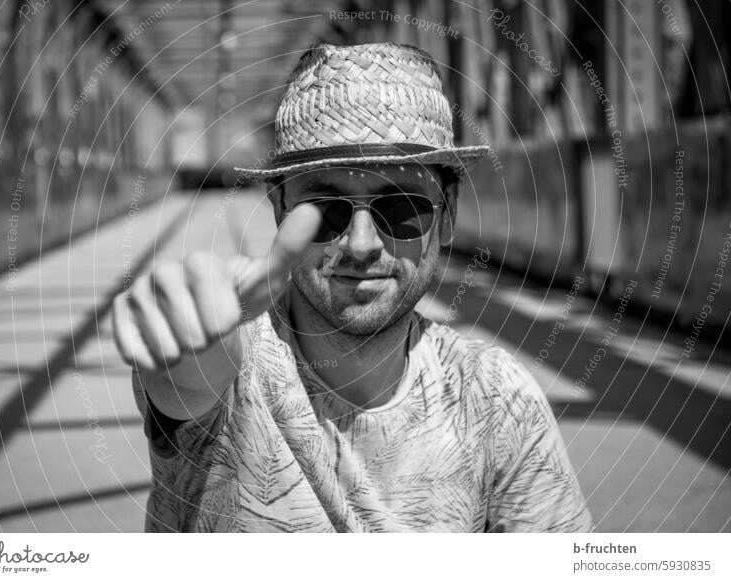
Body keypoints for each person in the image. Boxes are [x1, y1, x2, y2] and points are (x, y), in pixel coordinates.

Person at [111, 42, 593, 532]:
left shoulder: (497, 400)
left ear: (447, 215)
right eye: (326, 208)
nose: (361, 244)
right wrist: (187, 342)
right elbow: (193, 383)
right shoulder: (235, 368)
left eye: (402, 208)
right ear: (280, 211)